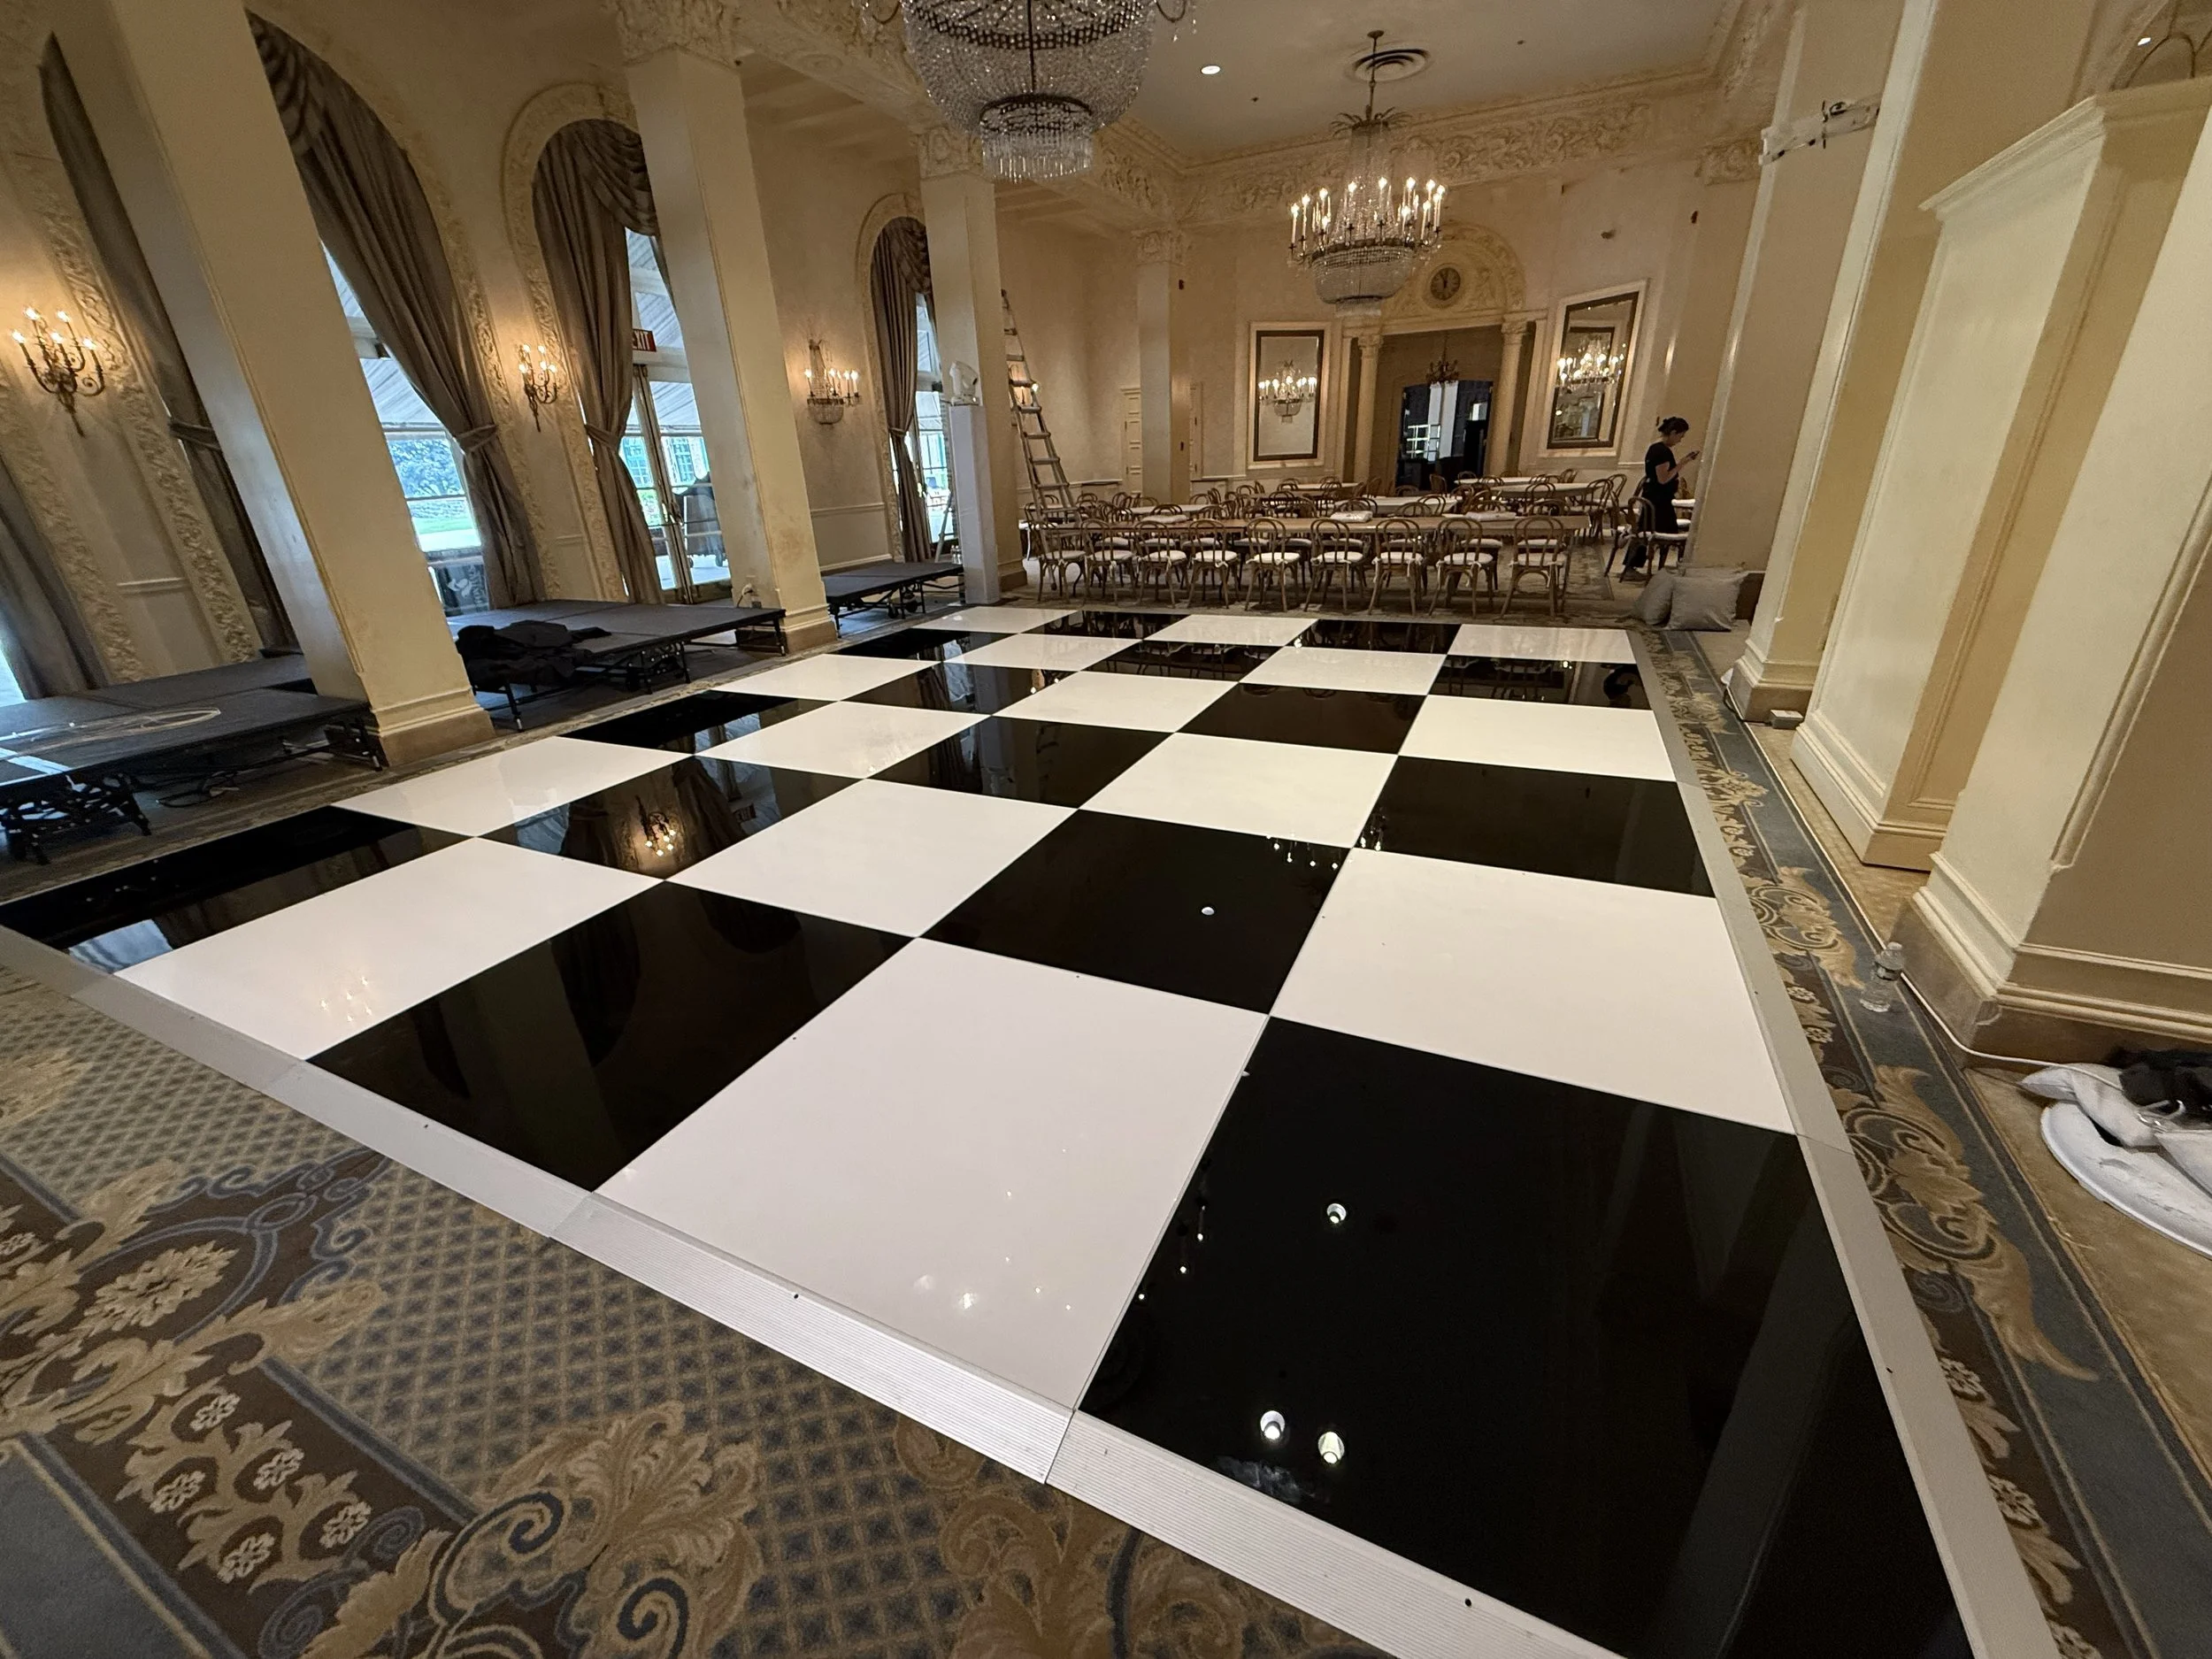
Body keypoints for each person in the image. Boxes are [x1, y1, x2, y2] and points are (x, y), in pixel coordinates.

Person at [1626, 416, 1698, 571]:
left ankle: (1634, 566)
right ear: (1673, 433)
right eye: (1680, 436)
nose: (1680, 440)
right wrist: (1683, 463)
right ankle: (1662, 567)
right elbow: (1663, 479)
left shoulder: (1655, 449)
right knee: (1662, 535)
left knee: (1644, 531)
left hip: (1654, 497)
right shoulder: (1662, 452)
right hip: (1658, 501)